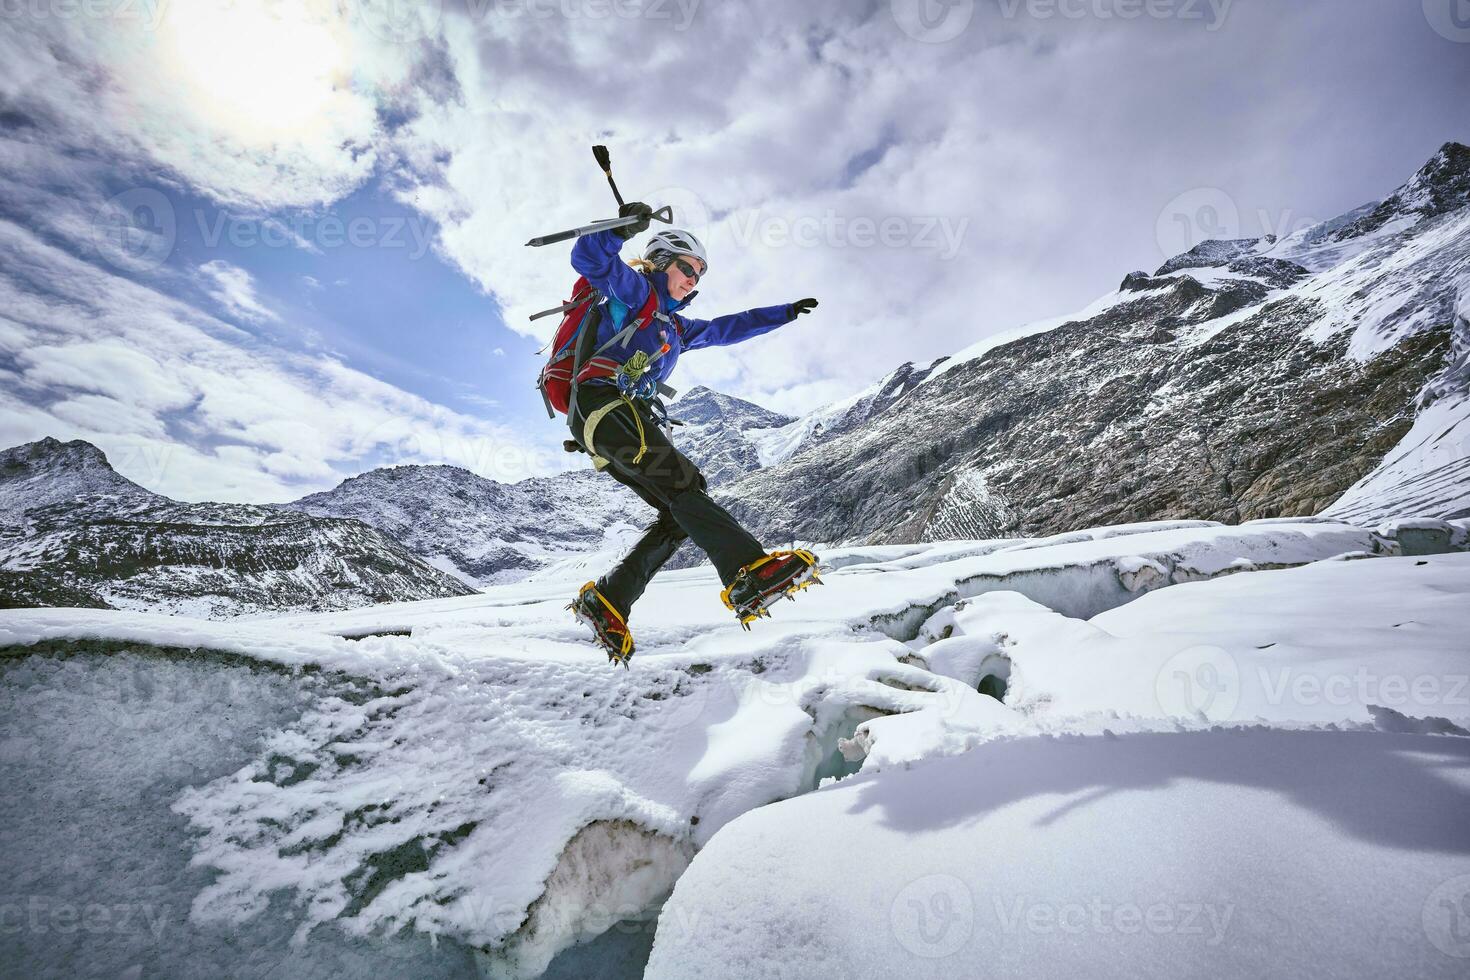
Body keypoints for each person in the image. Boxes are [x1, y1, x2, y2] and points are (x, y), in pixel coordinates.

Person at [564, 201, 822, 666]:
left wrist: (782, 313)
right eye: (689, 268)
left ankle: (609, 599)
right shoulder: (634, 292)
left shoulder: (675, 327)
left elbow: (727, 328)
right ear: (663, 263)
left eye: (701, 274)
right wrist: (621, 230)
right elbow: (590, 260)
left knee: (676, 511)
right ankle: (748, 571)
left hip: (607, 420)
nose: (695, 280)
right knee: (684, 486)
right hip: (604, 405)